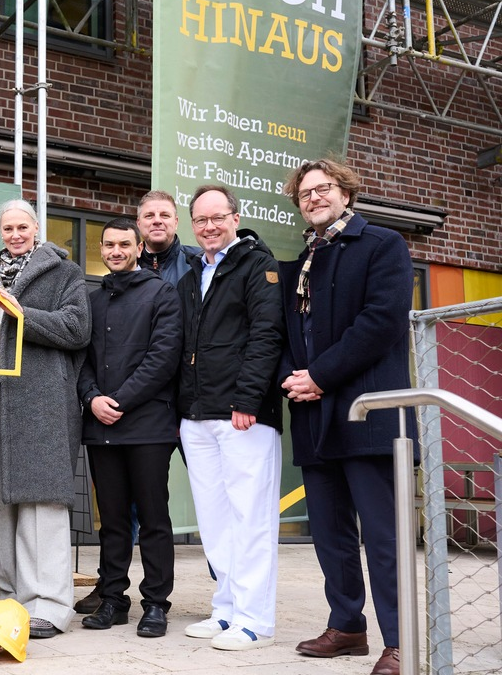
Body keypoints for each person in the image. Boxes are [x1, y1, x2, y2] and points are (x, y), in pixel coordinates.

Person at [280, 159, 415, 675]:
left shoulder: (382, 244)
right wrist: (293, 378)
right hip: (315, 416)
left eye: (323, 189)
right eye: (305, 193)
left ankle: (401, 642)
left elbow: (380, 322)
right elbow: (289, 334)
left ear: (346, 193)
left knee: (383, 537)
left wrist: (319, 375)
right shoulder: (304, 259)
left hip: (367, 412)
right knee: (330, 534)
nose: (313, 198)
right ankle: (347, 627)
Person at [0, 199, 90, 639]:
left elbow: (77, 328)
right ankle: (10, 598)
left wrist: (22, 315)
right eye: (8, 228)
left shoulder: (64, 272)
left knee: (40, 505)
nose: (15, 235)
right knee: (3, 504)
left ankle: (49, 605)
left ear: (36, 228)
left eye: (22, 227)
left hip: (43, 403)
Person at [77, 189, 203, 616]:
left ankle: (155, 604)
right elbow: (82, 360)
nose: (116, 251)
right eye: (109, 245)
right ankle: (113, 599)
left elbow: (162, 359)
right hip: (101, 427)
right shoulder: (92, 300)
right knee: (112, 522)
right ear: (101, 250)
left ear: (137, 248)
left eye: (124, 244)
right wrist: (92, 398)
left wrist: (118, 401)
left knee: (153, 520)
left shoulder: (162, 294)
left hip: (148, 426)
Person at [177, 185, 284, 650]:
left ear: (235, 218)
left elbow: (267, 335)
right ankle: (226, 610)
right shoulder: (191, 275)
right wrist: (182, 407)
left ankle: (255, 620)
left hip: (243, 414)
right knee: (216, 521)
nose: (209, 227)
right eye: (200, 220)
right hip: (197, 415)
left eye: (217, 217)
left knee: (251, 518)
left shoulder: (258, 265)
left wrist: (248, 400)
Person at [136, 190, 202, 288]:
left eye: (165, 215)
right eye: (149, 216)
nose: (157, 220)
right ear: (138, 223)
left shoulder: (200, 261)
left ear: (176, 222)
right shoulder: (128, 265)